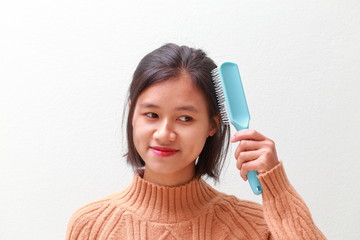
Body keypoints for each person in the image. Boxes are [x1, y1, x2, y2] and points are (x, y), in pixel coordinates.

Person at [66, 43, 326, 239]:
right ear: (133, 114)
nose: (164, 133)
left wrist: (277, 188)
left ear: (213, 124)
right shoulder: (91, 225)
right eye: (152, 115)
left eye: (185, 118)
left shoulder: (255, 227)